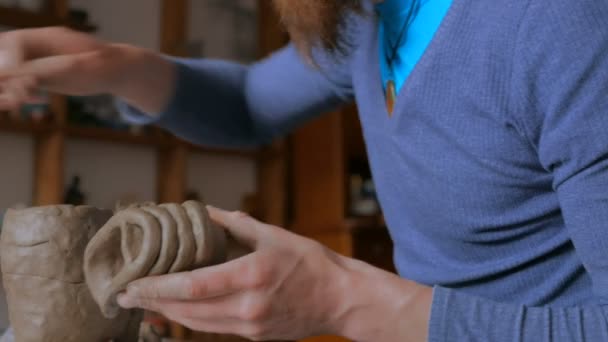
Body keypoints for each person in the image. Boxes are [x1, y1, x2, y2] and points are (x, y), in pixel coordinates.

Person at [0, 0, 607, 340]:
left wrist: (347, 301)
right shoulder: (374, 19)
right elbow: (246, 105)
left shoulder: (562, 24)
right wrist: (114, 66)